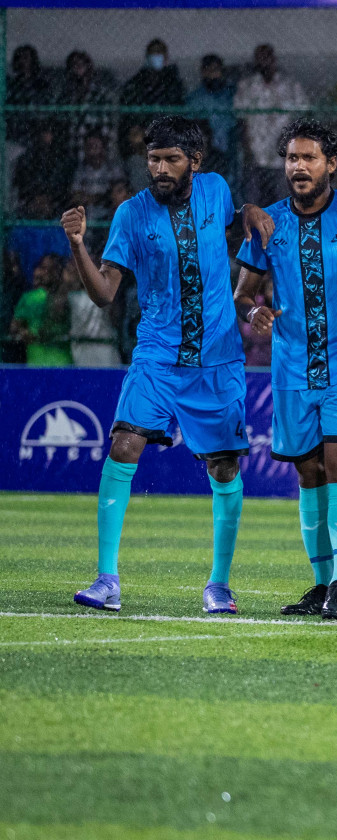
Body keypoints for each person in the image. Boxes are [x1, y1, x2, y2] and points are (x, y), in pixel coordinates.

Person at [64, 116, 268, 615]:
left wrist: (253, 210)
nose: (159, 168)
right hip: (156, 352)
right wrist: (77, 246)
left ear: (194, 163)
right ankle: (106, 578)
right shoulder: (131, 214)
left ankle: (218, 585)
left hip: (217, 359)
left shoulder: (216, 190)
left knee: (223, 466)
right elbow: (106, 292)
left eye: (171, 159)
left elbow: (237, 209)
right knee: (125, 443)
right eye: (153, 159)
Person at [234, 118, 337, 622]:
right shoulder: (268, 224)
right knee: (309, 474)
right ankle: (322, 583)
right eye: (292, 159)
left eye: (309, 158)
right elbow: (243, 293)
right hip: (290, 369)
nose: (298, 167)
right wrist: (252, 311)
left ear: (331, 165)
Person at [236, 44, 309, 205]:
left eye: (267, 58)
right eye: (260, 59)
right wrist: (247, 146)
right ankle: (254, 229)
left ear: (273, 59)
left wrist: (290, 137)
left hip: (282, 152)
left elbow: (303, 115)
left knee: (283, 197)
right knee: (253, 200)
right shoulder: (247, 86)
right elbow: (241, 119)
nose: (264, 63)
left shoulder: (289, 86)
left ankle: (283, 228)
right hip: (256, 150)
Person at [119, 39, 186, 163]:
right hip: (145, 135)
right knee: (138, 138)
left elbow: (178, 113)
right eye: (153, 52)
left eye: (159, 52)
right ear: (147, 56)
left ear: (166, 57)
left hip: (168, 135)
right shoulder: (136, 83)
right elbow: (131, 117)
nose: (156, 56)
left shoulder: (174, 85)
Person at [56, 49, 116, 169]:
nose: (77, 68)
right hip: (72, 147)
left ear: (88, 68)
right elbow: (61, 123)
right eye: (74, 65)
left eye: (81, 64)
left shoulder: (101, 94)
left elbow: (108, 125)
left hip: (97, 147)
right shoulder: (65, 96)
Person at [10, 251, 71, 366]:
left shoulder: (67, 298)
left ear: (58, 272)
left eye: (49, 269)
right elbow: (14, 328)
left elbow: (15, 328)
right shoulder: (30, 298)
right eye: (43, 268)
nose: (43, 273)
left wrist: (27, 333)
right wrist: (25, 333)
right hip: (43, 363)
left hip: (58, 363)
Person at [185, 54, 239, 179]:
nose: (212, 75)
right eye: (209, 70)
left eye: (216, 70)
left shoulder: (230, 94)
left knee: (230, 183)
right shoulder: (195, 98)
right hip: (205, 151)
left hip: (228, 148)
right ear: (203, 72)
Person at [64, 259, 120, 367]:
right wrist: (68, 282)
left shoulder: (106, 292)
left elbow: (115, 315)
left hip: (105, 346)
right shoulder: (71, 294)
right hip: (80, 348)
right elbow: (57, 310)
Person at [6, 44, 53, 144]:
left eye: (25, 58)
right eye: (19, 58)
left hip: (33, 133)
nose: (22, 61)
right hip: (12, 131)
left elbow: (47, 110)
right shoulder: (12, 85)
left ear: (32, 61)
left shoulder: (42, 85)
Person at [72, 131, 119, 219]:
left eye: (96, 146)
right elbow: (75, 196)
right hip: (87, 218)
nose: (92, 150)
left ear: (103, 148)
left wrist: (97, 198)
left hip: (109, 217)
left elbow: (119, 195)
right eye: (89, 146)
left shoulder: (113, 169)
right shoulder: (80, 170)